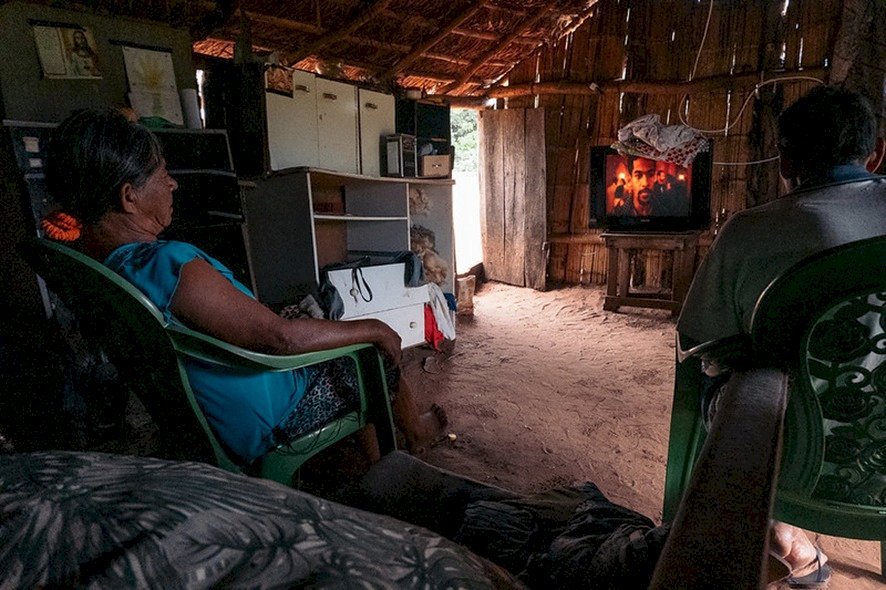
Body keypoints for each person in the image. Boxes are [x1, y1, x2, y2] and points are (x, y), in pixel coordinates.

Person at [41, 108, 447, 466]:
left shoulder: (105, 270)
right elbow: (279, 338)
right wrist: (375, 327)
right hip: (268, 416)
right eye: (162, 175)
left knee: (330, 335)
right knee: (369, 354)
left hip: (205, 416)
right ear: (129, 197)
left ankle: (379, 455)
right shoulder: (169, 265)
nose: (172, 184)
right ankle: (415, 434)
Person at [677, 86, 886, 587]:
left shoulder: (749, 232)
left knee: (731, 382)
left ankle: (786, 538)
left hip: (793, 458)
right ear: (876, 154)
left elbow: (700, 339)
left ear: (785, 160)